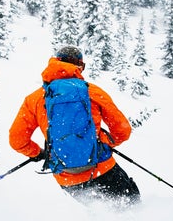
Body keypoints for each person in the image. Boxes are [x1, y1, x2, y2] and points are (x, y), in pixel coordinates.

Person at [9, 45, 141, 206]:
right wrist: (103, 143)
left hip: (67, 178)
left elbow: (17, 140)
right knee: (132, 209)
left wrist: (39, 154)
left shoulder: (35, 99)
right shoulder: (92, 91)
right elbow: (123, 130)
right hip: (102, 168)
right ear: (79, 66)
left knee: (103, 217)